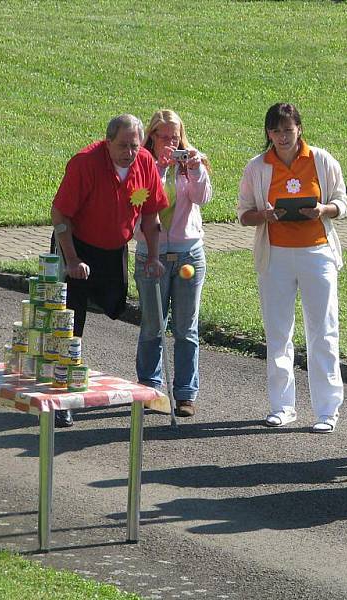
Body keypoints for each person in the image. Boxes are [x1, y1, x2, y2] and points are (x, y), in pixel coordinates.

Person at [237, 102, 347, 433]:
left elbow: (343, 203)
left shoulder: (321, 160)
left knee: (324, 332)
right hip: (276, 257)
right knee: (278, 332)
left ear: (299, 128)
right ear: (267, 133)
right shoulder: (258, 167)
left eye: (288, 129)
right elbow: (244, 214)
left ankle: (328, 410)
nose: (282, 137)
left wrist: (323, 209)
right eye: (275, 130)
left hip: (317, 254)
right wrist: (265, 215)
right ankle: (282, 406)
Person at [51, 114, 167, 427]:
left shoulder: (144, 162)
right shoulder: (85, 163)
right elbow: (60, 214)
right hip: (75, 242)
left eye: (134, 145)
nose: (129, 152)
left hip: (113, 247)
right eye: (122, 146)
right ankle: (63, 395)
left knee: (115, 304)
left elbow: (152, 214)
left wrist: (155, 257)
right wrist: (72, 260)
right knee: (71, 321)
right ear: (107, 141)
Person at [134, 109, 212, 417]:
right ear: (151, 136)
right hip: (149, 251)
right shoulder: (140, 165)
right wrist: (159, 171)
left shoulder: (191, 162)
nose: (170, 143)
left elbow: (202, 197)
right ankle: (150, 388)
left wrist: (195, 170)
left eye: (175, 137)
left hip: (187, 252)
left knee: (186, 328)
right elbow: (137, 201)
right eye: (164, 137)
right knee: (152, 325)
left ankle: (185, 395)